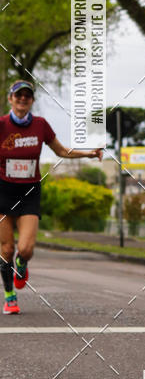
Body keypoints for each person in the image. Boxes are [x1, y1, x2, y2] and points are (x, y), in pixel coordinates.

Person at [0, 80, 103, 314]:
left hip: (28, 192)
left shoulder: (40, 125)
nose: (22, 99)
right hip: (3, 191)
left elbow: (61, 150)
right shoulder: (2, 125)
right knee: (6, 249)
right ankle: (10, 296)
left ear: (32, 101)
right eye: (18, 96)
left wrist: (87, 153)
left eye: (27, 96)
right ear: (10, 99)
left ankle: (22, 264)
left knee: (25, 248)